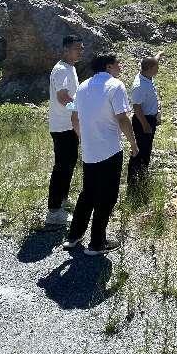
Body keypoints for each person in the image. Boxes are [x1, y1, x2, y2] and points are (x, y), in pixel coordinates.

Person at [63, 54, 138, 255]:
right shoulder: (116, 85)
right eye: (118, 63)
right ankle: (97, 243)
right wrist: (133, 143)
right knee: (107, 196)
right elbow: (122, 118)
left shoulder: (83, 86)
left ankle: (73, 236)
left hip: (89, 150)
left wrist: (84, 137)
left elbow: (74, 118)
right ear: (109, 66)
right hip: (110, 150)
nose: (120, 66)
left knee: (88, 193)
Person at [45, 34, 83, 226]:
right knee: (61, 167)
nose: (80, 51)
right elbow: (62, 98)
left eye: (81, 48)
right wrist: (79, 110)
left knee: (69, 164)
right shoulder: (61, 70)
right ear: (66, 49)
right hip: (62, 127)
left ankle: (62, 200)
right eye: (77, 48)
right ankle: (54, 211)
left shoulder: (70, 68)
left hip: (69, 125)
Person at [127, 52, 164, 187]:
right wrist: (145, 125)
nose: (158, 69)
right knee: (140, 150)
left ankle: (143, 176)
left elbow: (153, 60)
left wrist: (159, 54)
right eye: (156, 67)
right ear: (149, 68)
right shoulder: (139, 85)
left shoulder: (146, 75)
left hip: (150, 119)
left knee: (147, 149)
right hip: (143, 120)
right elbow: (137, 107)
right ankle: (134, 181)